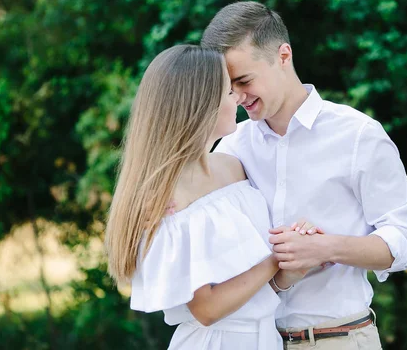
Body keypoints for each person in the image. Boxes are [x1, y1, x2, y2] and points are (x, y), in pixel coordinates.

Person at [202, 1, 407, 349]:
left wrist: (325, 247)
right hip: (256, 341)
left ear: (283, 55)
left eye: (244, 80)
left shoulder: (358, 135)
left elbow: (406, 241)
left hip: (341, 339)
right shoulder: (232, 147)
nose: (238, 96)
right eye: (228, 87)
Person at [104, 45, 319, 350]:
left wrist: (295, 255)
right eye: (229, 92)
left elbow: (249, 284)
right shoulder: (165, 196)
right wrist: (277, 259)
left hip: (266, 339)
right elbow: (206, 309)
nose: (239, 98)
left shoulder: (232, 167)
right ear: (201, 104)